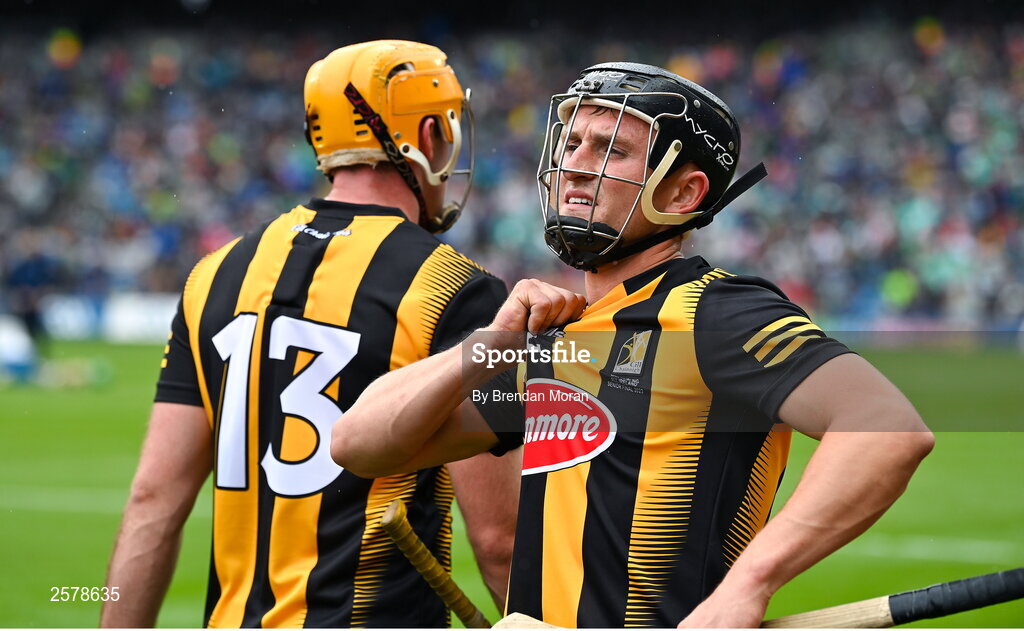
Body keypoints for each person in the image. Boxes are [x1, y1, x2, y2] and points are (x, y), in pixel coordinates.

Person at [332, 63, 935, 628]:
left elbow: (887, 429)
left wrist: (747, 587)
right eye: (571, 143)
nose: (574, 165)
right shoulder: (555, 341)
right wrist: (489, 342)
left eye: (610, 150)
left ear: (681, 195)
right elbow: (358, 444)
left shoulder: (715, 312)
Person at [102, 40, 521, 628]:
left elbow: (154, 502)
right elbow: (499, 540)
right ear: (427, 137)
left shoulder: (215, 273)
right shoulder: (456, 288)